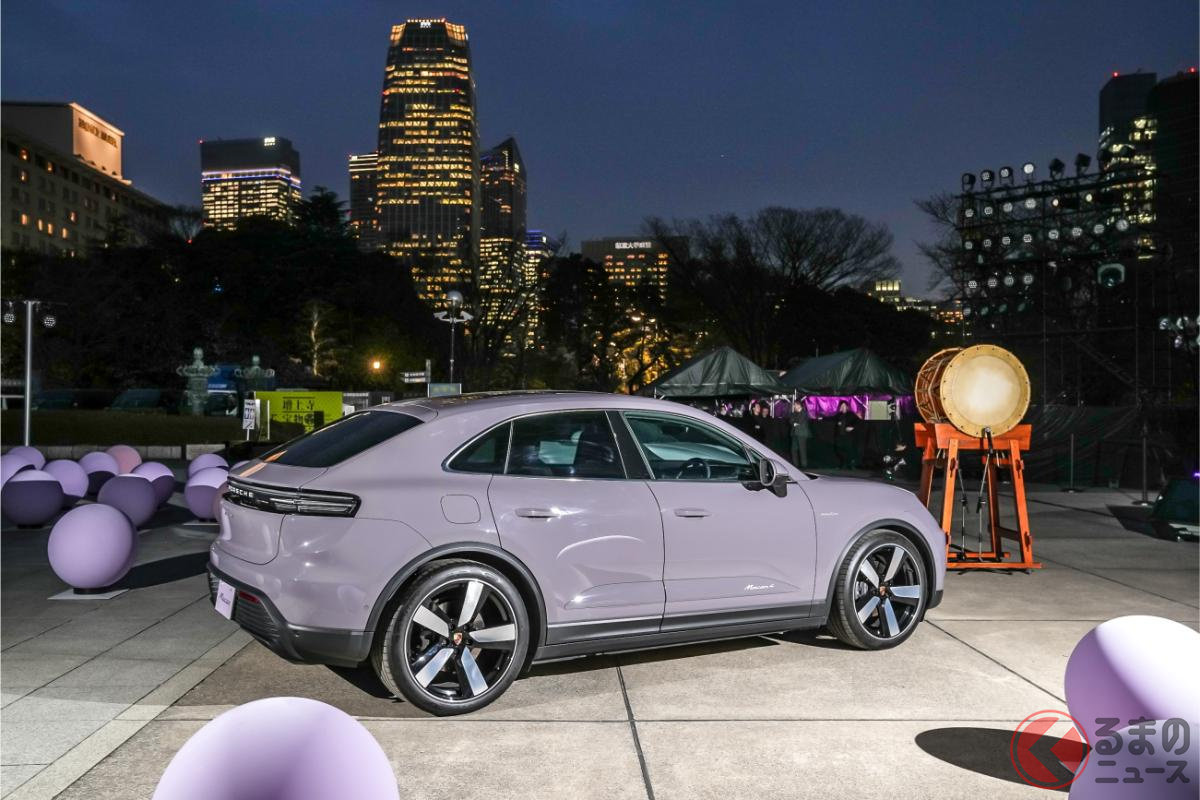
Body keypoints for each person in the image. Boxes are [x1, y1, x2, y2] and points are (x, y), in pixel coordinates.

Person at [833, 400, 860, 469]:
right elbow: (831, 418)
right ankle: (842, 464)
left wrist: (852, 427)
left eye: (844, 406)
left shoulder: (851, 414)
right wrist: (822, 418)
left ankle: (851, 465)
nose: (843, 407)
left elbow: (858, 421)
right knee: (839, 450)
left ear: (847, 407)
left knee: (849, 450)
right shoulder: (839, 415)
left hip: (848, 436)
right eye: (842, 406)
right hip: (839, 436)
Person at [788, 398, 812, 468]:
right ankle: (795, 465)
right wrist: (794, 423)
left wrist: (794, 422)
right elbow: (790, 421)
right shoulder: (794, 413)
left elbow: (799, 421)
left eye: (795, 405)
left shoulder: (804, 412)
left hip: (802, 433)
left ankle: (804, 466)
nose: (794, 406)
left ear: (799, 405)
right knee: (793, 450)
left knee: (802, 450)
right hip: (794, 433)